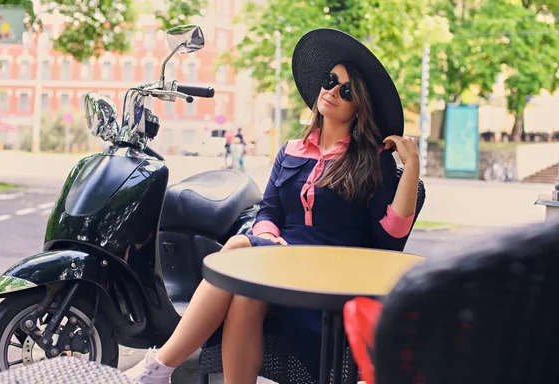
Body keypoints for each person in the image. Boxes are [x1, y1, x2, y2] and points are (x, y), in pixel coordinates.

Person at [125, 28, 420, 384]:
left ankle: (157, 367)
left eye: (346, 90)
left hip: (334, 272)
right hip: (280, 259)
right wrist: (268, 236)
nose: (332, 92)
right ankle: (160, 370)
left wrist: (411, 168)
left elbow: (390, 240)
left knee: (237, 251)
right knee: (247, 284)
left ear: (359, 105)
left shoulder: (372, 160)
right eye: (330, 80)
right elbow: (269, 212)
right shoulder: (291, 151)